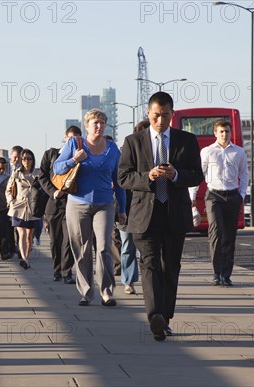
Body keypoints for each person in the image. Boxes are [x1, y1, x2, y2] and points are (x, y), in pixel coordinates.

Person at [118, 91, 204, 341]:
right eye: (156, 115)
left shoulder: (186, 140)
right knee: (150, 264)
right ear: (148, 113)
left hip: (174, 214)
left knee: (170, 267)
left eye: (165, 115)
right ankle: (155, 315)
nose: (160, 120)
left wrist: (176, 175)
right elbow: (123, 177)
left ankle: (165, 317)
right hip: (145, 215)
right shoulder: (133, 141)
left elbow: (196, 174)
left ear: (172, 114)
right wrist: (149, 177)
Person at [54, 109, 126, 307]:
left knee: (104, 247)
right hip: (77, 204)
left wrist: (122, 208)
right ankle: (86, 292)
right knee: (82, 250)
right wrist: (73, 159)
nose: (99, 126)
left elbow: (118, 181)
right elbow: (57, 169)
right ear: (86, 125)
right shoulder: (74, 144)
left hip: (104, 204)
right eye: (95, 122)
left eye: (102, 122)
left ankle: (107, 292)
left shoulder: (113, 149)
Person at [189, 120, 248, 288]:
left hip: (233, 196)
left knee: (229, 236)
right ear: (215, 133)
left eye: (227, 131)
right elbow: (198, 175)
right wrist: (193, 200)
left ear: (231, 133)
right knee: (216, 232)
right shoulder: (207, 152)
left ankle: (226, 274)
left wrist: (241, 195)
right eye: (221, 131)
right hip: (214, 195)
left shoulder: (239, 152)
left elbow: (244, 175)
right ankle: (216, 273)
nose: (224, 134)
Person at [39, 125, 81, 284]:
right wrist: (53, 191)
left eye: (77, 138)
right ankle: (57, 270)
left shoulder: (83, 156)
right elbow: (42, 177)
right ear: (65, 137)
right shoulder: (51, 154)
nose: (73, 141)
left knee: (69, 239)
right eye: (71, 138)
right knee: (55, 240)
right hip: (54, 202)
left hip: (73, 201)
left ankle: (67, 272)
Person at [118, 120, 150, 295]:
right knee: (128, 245)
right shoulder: (126, 152)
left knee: (147, 247)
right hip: (127, 207)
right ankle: (128, 281)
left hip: (147, 207)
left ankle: (149, 281)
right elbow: (120, 180)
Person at [6, 149, 42, 269]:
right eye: (24, 158)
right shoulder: (16, 173)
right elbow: (9, 190)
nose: (27, 161)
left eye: (29, 158)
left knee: (29, 235)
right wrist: (11, 201)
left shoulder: (38, 173)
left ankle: (26, 257)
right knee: (21, 233)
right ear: (21, 160)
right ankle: (24, 259)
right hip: (19, 206)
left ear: (33, 160)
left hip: (33, 207)